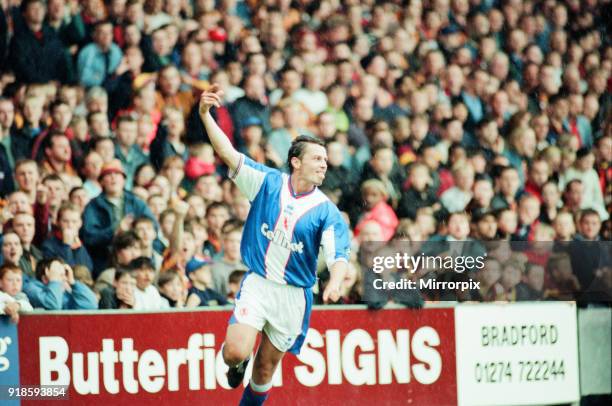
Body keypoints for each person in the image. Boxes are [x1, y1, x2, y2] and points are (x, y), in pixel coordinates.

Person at [199, 85, 350, 405]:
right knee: (236, 352)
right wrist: (205, 116)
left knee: (265, 370)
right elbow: (228, 152)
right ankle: (234, 364)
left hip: (294, 296)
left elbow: (338, 254)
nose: (324, 164)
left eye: (325, 159)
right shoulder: (268, 183)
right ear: (296, 162)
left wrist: (335, 282)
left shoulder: (326, 211)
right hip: (259, 283)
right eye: (317, 158)